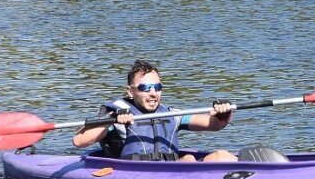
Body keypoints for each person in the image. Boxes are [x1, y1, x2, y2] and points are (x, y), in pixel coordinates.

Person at [73, 59, 238, 162]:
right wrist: (113, 119)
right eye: (145, 88)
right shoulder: (117, 115)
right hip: (133, 172)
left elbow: (213, 124)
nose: (153, 94)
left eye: (157, 87)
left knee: (222, 156)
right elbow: (79, 141)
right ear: (131, 91)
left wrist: (223, 114)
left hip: (171, 169)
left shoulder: (171, 114)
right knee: (187, 159)